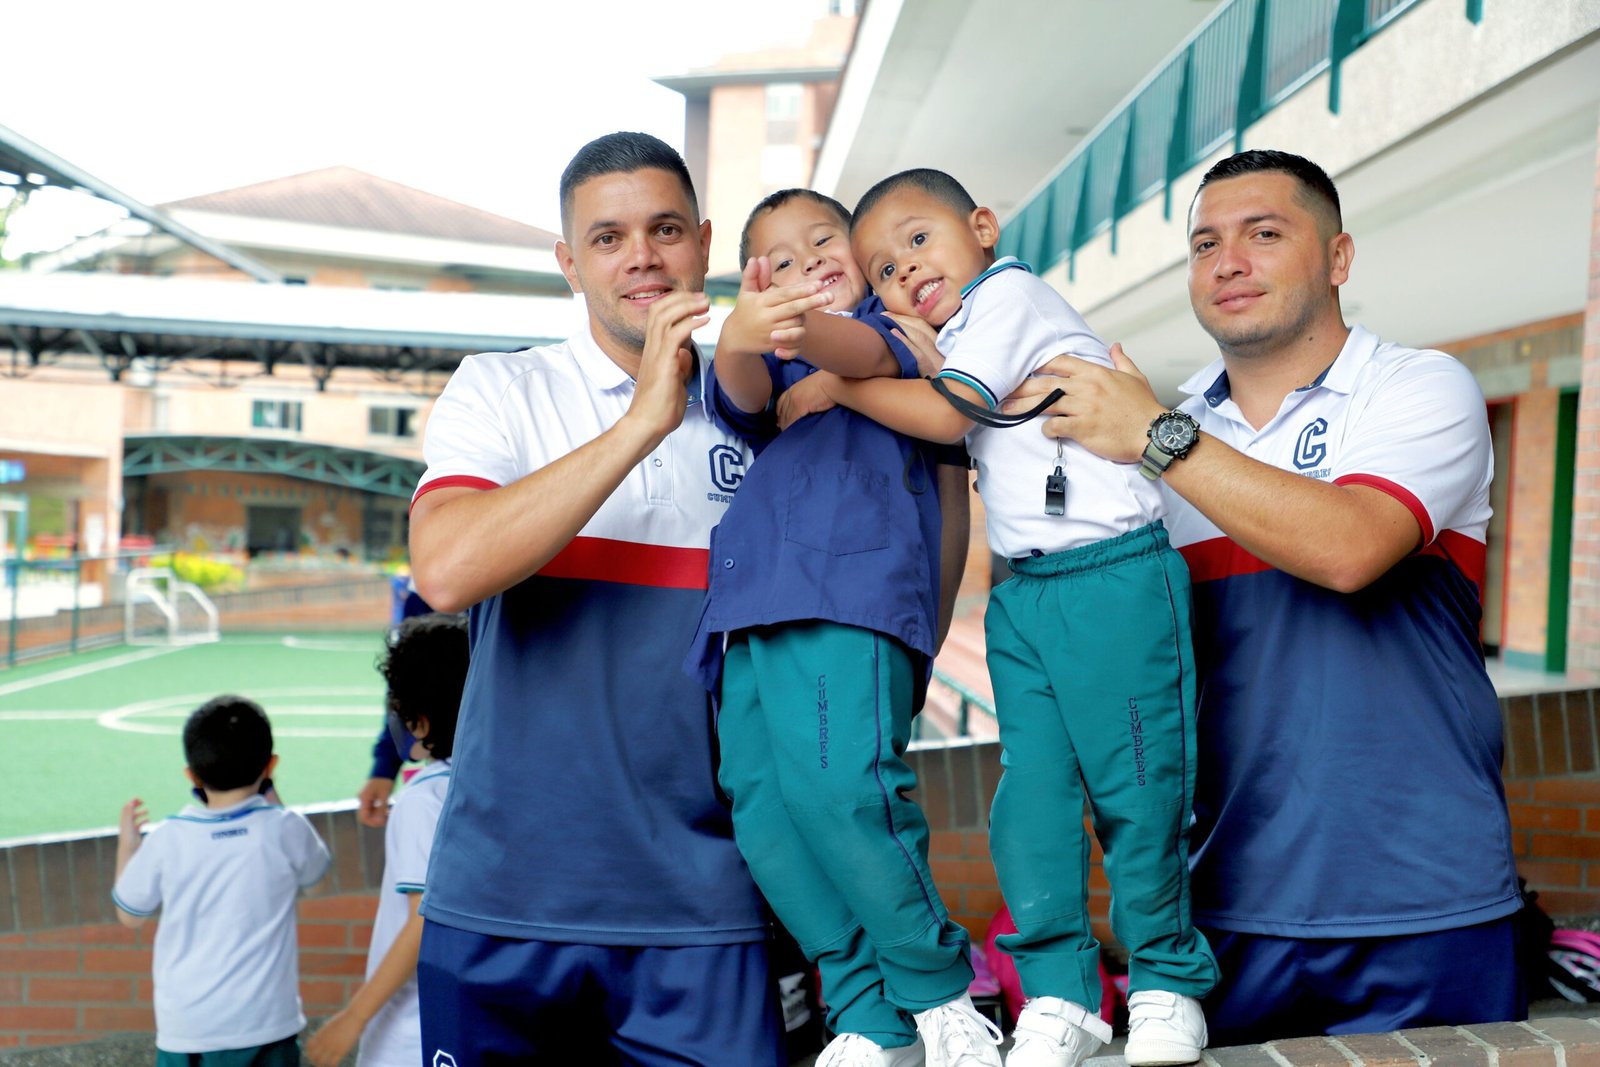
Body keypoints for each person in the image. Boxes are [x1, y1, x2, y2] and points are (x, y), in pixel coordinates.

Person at [1006, 149, 1524, 1043]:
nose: (1228, 261)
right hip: (1222, 908)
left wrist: (1153, 435)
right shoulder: (1157, 450)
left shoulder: (1418, 387)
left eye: (1264, 233)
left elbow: (1350, 546)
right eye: (1206, 243)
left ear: (1338, 258)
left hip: (1428, 899)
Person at [813, 169, 1217, 1067]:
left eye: (918, 240)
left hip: (1112, 576)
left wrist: (837, 385)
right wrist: (917, 354)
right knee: (1030, 801)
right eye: (880, 268)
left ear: (983, 227)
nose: (902, 270)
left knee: (1139, 792)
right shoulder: (963, 330)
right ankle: (1063, 996)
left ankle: (1164, 979)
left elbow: (948, 411)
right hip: (1026, 592)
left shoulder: (1011, 295)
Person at [405, 131, 785, 1064]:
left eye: (664, 229)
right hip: (504, 902)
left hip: (706, 908)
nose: (643, 257)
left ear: (703, 243)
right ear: (570, 262)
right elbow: (444, 569)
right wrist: (643, 421)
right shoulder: (502, 388)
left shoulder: (775, 405)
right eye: (608, 238)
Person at [687, 188, 997, 1067]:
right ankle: (867, 1009)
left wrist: (790, 327)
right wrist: (752, 331)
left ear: (860, 256)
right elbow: (740, 386)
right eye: (778, 259)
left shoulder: (895, 331)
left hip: (850, 595)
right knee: (766, 814)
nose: (807, 262)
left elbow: (860, 348)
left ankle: (940, 991)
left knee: (846, 790)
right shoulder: (774, 362)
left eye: (823, 241)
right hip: (749, 607)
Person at [112, 696, 331, 1066]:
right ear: (270, 765)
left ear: (191, 775)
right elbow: (317, 883)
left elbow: (129, 914)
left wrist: (127, 846)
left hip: (189, 1031)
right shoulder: (287, 829)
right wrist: (271, 793)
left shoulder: (169, 839)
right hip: (268, 1025)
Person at [305, 613, 468, 1067]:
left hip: (411, 1033)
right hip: (469, 1023)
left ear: (416, 720)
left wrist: (354, 1017)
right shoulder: (503, 785)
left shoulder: (425, 799)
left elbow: (423, 921)